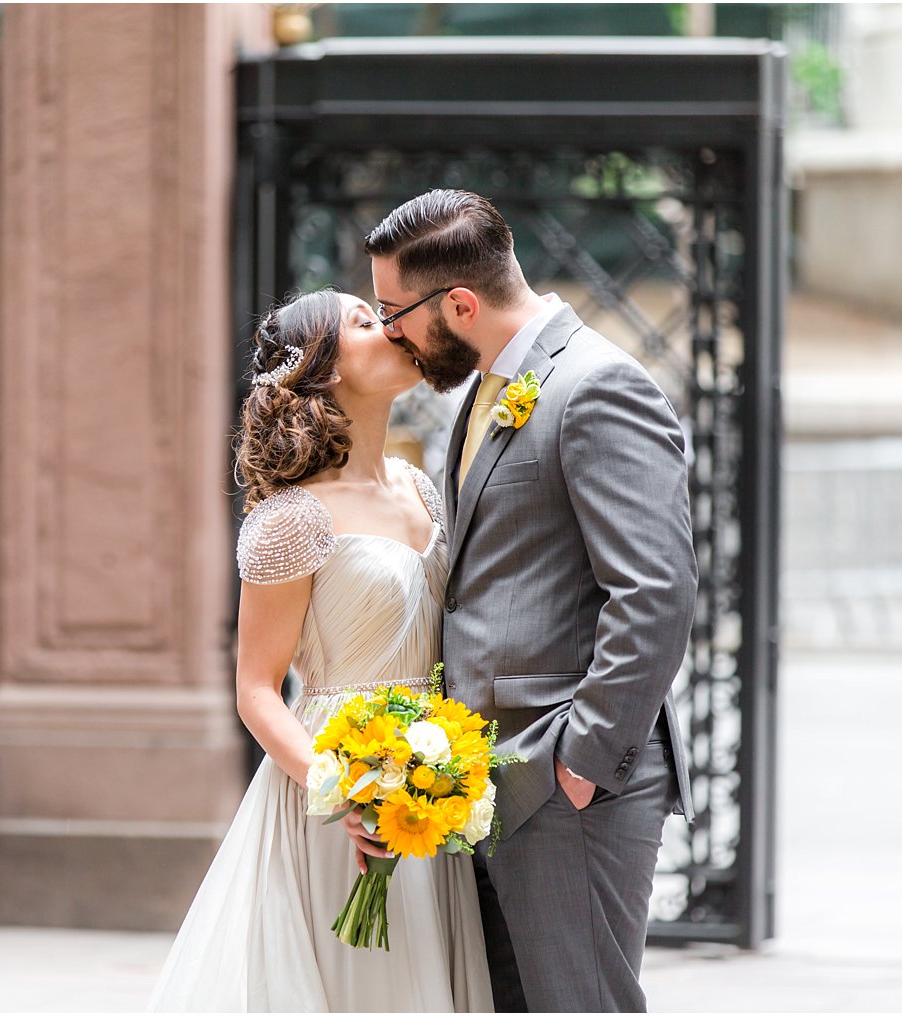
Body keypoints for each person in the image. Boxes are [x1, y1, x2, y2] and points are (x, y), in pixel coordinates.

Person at [365, 188, 698, 1013]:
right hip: (485, 783)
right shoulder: (482, 390)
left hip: (564, 789)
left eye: (392, 311)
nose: (388, 332)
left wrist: (579, 765)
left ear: (462, 304)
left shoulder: (596, 387)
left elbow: (653, 592)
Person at [146, 288, 493, 1012]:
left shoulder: (423, 493)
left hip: (430, 781)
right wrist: (344, 792)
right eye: (365, 323)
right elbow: (256, 690)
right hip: (337, 793)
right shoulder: (292, 517)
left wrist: (440, 774)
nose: (390, 326)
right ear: (325, 369)